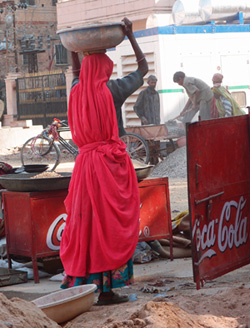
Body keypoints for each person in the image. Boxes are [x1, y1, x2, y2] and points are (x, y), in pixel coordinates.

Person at [59, 17, 148, 306]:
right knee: (108, 227)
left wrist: (75, 45)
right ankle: (108, 290)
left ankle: (84, 287)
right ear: (106, 69)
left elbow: (76, 71)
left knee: (85, 224)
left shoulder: (75, 91)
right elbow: (143, 70)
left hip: (84, 168)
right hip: (108, 169)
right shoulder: (113, 91)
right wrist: (132, 36)